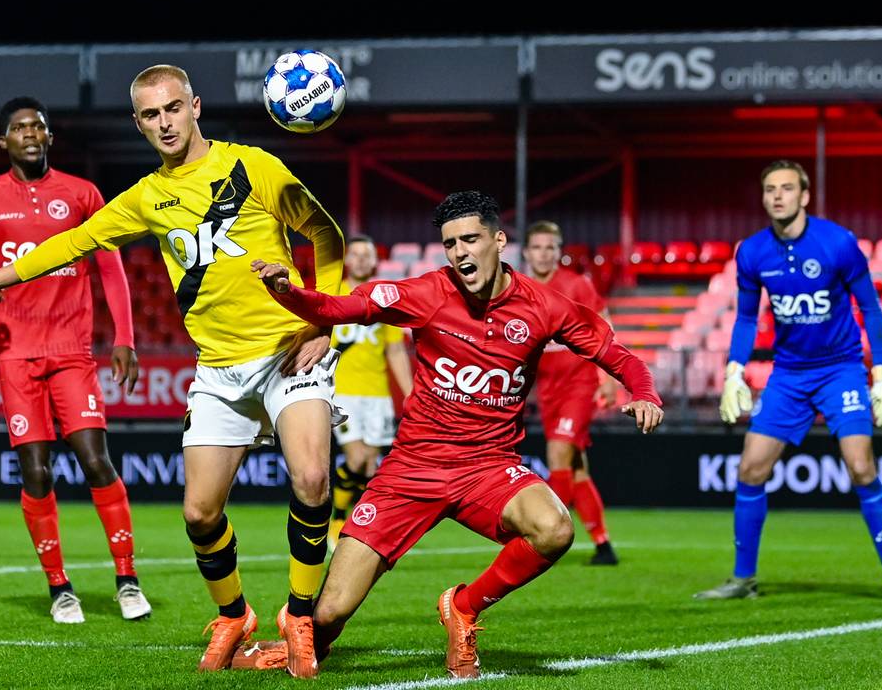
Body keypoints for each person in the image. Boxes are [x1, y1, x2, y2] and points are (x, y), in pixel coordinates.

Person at [0, 67, 344, 676]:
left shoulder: (254, 166)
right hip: (220, 369)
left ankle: (300, 617)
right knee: (199, 514)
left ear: (195, 106)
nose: (165, 123)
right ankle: (234, 616)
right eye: (151, 115)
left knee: (311, 479)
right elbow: (69, 244)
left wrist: (323, 322)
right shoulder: (146, 198)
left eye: (173, 108)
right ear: (138, 123)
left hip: (288, 350)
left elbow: (325, 234)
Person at [242, 191, 663, 679]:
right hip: (412, 470)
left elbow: (617, 354)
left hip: (488, 468)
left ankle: (463, 607)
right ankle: (298, 641)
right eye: (450, 244)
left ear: (499, 241)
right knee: (330, 613)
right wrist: (287, 292)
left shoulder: (544, 306)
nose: (461, 252)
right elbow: (346, 306)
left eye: (470, 239)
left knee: (555, 529)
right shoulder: (428, 293)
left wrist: (645, 393)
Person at [0, 96, 149, 624]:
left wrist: (124, 337)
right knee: (36, 472)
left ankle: (127, 579)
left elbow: (110, 269)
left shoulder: (82, 194)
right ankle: (60, 587)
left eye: (38, 126)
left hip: (71, 351)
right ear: (4, 141)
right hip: (15, 354)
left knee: (95, 460)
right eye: (20, 128)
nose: (31, 134)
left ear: (50, 137)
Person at [698, 159, 882, 605]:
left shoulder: (838, 242)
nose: (778, 196)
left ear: (805, 195)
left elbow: (871, 309)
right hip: (788, 375)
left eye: (787, 188)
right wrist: (734, 370)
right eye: (770, 189)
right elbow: (746, 318)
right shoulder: (752, 252)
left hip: (841, 370)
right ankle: (743, 579)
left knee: (861, 467)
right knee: (750, 468)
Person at [522, 221, 620, 565]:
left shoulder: (576, 285)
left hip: (579, 383)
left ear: (559, 252)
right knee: (577, 469)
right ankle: (603, 545)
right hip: (547, 389)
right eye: (537, 247)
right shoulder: (521, 289)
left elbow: (602, 325)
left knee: (558, 455)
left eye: (550, 247)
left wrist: (608, 376)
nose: (543, 254)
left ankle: (546, 540)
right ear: (526, 252)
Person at [328, 235, 413, 548]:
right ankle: (338, 517)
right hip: (343, 391)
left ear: (375, 261)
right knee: (357, 457)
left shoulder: (384, 299)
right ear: (347, 260)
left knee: (368, 465)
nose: (362, 260)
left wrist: (410, 392)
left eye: (367, 255)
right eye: (356, 254)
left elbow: (396, 351)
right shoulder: (333, 292)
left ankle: (358, 524)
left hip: (377, 394)